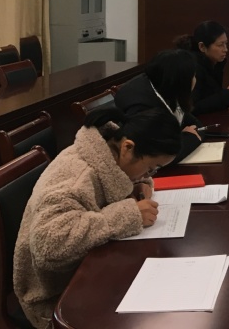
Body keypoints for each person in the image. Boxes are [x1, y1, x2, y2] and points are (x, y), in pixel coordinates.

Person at [13, 108, 181, 329]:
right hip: (54, 293)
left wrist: (136, 184)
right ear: (127, 147)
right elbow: (49, 245)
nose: (150, 175)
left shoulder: (109, 153)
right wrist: (127, 214)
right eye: (150, 168)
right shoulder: (77, 177)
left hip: (90, 269)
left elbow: (113, 183)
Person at [114, 49, 203, 164]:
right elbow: (160, 157)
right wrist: (190, 138)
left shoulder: (165, 89)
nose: (195, 80)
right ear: (181, 81)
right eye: (193, 76)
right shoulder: (142, 106)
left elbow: (196, 126)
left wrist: (188, 136)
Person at [174, 20, 229, 114]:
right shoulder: (193, 67)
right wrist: (226, 95)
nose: (226, 49)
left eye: (226, 43)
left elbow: (210, 95)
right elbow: (192, 108)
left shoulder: (214, 63)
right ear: (202, 47)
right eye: (220, 45)